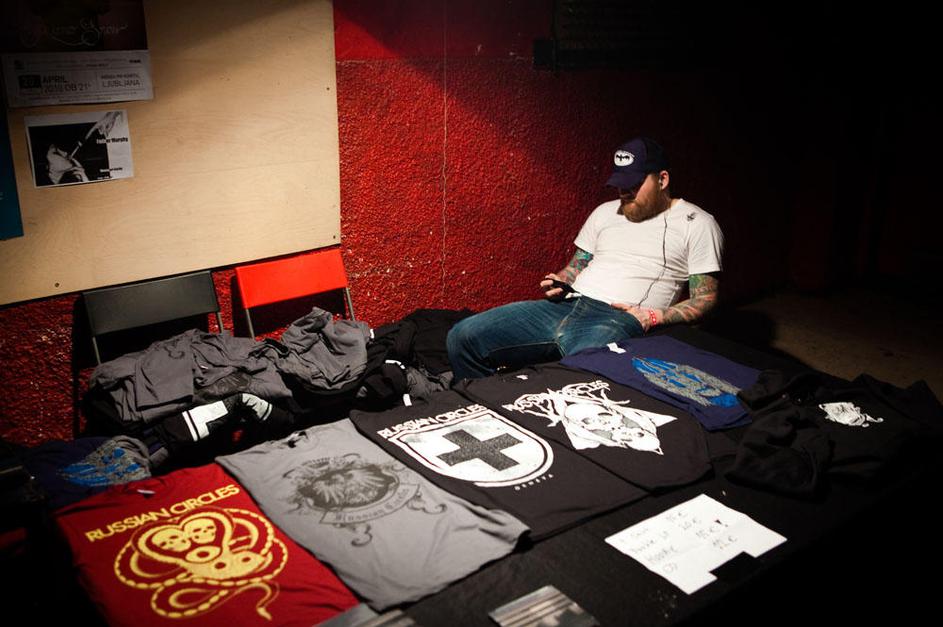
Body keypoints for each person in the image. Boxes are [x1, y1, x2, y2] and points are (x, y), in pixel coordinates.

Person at [447, 137, 724, 380]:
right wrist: (560, 280)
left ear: (662, 180)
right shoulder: (605, 212)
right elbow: (575, 267)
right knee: (463, 337)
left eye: (634, 185)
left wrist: (653, 316)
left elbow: (705, 299)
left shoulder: (697, 223)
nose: (624, 193)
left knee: (576, 376)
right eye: (620, 185)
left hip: (619, 316)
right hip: (566, 305)